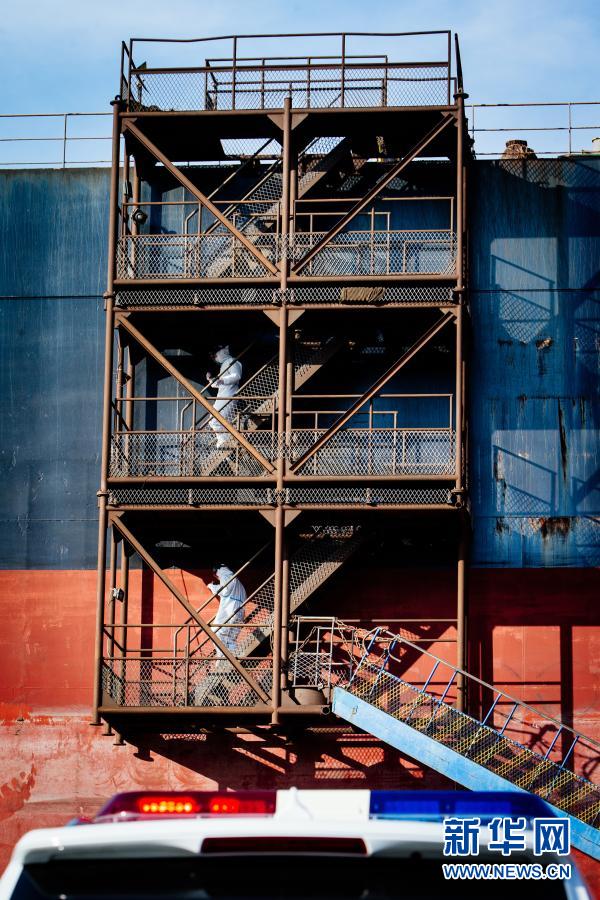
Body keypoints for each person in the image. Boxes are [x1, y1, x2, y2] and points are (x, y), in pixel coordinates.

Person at [206, 345, 242, 448]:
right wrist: (211, 380)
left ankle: (225, 442)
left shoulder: (232, 361)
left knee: (214, 420)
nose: (215, 358)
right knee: (217, 421)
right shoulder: (225, 365)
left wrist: (222, 380)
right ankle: (225, 440)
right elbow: (220, 382)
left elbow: (236, 376)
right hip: (223, 395)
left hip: (229, 395)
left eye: (215, 355)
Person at [208, 564, 247, 657]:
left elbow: (225, 590)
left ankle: (223, 658)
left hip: (230, 610)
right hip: (239, 611)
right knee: (230, 638)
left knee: (216, 630)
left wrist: (211, 586)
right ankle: (234, 657)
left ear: (216, 573)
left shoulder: (224, 575)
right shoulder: (237, 582)